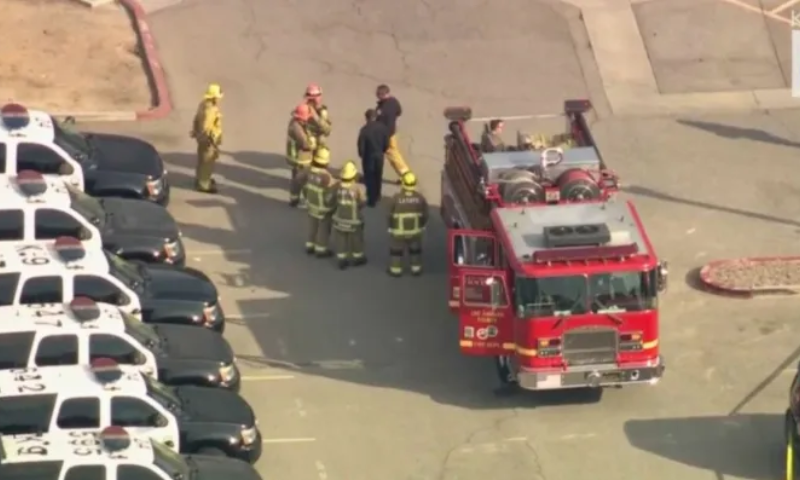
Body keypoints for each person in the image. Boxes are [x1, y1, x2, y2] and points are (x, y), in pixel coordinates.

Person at [386, 172, 429, 277]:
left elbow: (389, 214)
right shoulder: (420, 198)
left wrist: (390, 227)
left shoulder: (396, 198)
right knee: (415, 250)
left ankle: (395, 271)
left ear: (403, 184)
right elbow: (425, 214)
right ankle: (416, 269)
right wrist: (422, 225)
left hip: (398, 232)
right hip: (415, 232)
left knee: (396, 251)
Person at [331, 161, 367, 269]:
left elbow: (331, 198)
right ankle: (358, 258)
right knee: (356, 240)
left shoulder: (337, 186)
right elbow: (363, 202)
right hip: (354, 221)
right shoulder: (358, 188)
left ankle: (342, 259)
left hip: (339, 219)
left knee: (341, 239)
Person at [301, 147, 336, 257]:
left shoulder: (308, 171)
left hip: (311, 205)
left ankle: (310, 245)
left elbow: (300, 181)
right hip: (323, 209)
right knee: (323, 229)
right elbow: (331, 192)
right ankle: (321, 249)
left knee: (312, 225)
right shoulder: (326, 176)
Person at [190, 83, 223, 193]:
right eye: (218, 97)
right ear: (214, 97)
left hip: (201, 138)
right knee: (207, 163)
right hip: (208, 140)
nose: (219, 99)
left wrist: (196, 132)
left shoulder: (203, 104)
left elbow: (196, 119)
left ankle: (200, 179)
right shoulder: (210, 110)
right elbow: (206, 127)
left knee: (202, 160)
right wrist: (212, 141)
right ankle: (204, 185)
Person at [375, 84, 409, 182]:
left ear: (383, 94)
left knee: (393, 155)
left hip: (386, 134)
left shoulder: (384, 108)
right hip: (391, 133)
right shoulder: (394, 101)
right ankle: (403, 175)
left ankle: (405, 174)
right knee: (392, 155)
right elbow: (399, 111)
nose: (377, 96)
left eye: (378, 94)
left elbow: (385, 122)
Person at [357, 108, 390, 207]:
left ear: (367, 118)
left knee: (370, 176)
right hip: (379, 155)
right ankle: (377, 194)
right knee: (378, 175)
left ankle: (371, 199)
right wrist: (382, 150)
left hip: (368, 156)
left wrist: (362, 154)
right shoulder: (383, 128)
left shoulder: (364, 130)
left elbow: (361, 146)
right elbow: (386, 143)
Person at [286, 104, 317, 207]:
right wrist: (313, 144)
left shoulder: (294, 123)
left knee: (296, 179)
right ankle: (309, 201)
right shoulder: (297, 128)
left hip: (296, 158)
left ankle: (294, 199)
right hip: (300, 159)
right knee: (304, 181)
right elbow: (305, 144)